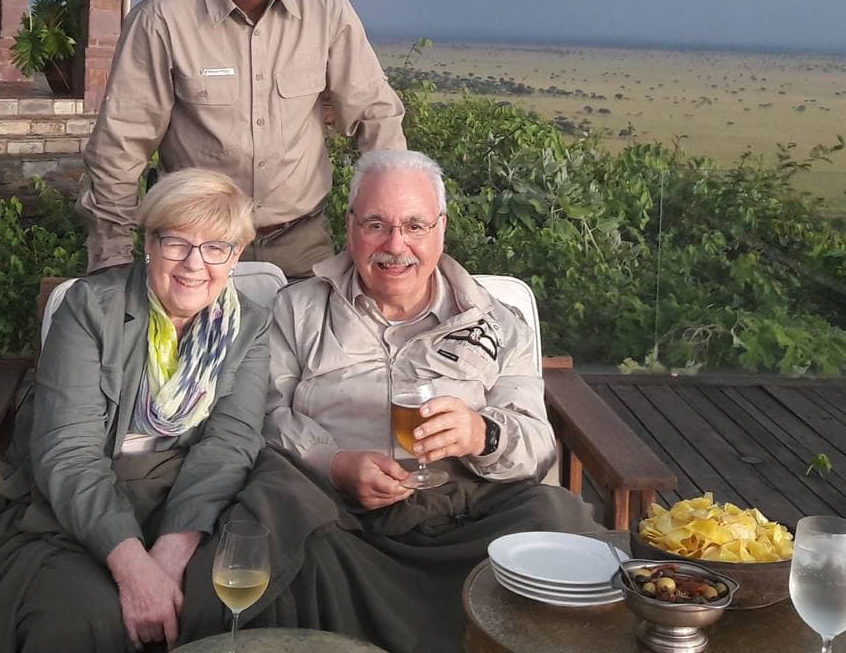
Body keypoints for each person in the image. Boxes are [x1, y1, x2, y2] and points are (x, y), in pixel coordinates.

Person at [185, 149, 597, 652]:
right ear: (350, 226)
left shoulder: (496, 323)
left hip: (463, 516)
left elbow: (537, 446)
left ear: (441, 229)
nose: (395, 245)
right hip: (341, 522)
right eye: (376, 224)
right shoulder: (297, 311)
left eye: (414, 226)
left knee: (556, 519)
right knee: (280, 528)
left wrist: (481, 434)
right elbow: (263, 416)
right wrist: (334, 463)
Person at [0, 169, 273, 653]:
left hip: (190, 497)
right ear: (149, 243)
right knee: (81, 618)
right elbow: (67, 450)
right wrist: (134, 567)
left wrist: (172, 549)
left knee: (230, 598)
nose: (194, 264)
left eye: (216, 247)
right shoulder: (90, 309)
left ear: (236, 255)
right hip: (75, 500)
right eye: (176, 242)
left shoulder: (250, 326)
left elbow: (230, 442)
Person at [80, 0, 405, 279]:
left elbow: (375, 116)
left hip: (301, 245)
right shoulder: (162, 19)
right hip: (193, 247)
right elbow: (120, 145)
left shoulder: (326, 11)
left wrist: (395, 225)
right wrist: (112, 256)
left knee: (306, 326)